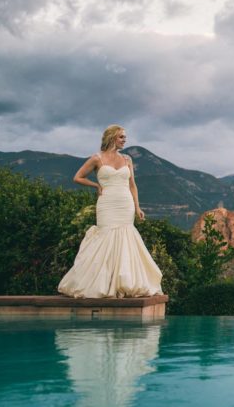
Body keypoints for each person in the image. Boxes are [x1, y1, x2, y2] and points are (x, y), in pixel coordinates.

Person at [58, 125, 163, 298]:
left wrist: (137, 207)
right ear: (112, 137)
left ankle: (124, 284)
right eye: (122, 137)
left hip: (125, 203)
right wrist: (96, 185)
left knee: (125, 238)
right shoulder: (96, 158)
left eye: (125, 137)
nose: (125, 140)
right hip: (107, 203)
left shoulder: (127, 159)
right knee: (105, 237)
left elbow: (132, 185)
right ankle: (101, 285)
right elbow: (77, 177)